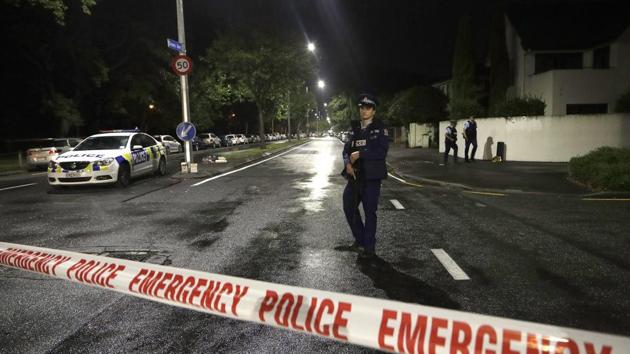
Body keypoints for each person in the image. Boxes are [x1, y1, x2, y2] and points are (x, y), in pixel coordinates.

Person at [341, 93, 389, 259]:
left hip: (371, 177)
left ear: (373, 111)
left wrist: (361, 154)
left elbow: (381, 152)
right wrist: (347, 163)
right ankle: (360, 239)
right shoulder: (354, 129)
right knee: (348, 205)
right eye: (362, 107)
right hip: (355, 177)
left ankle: (369, 247)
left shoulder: (380, 128)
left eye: (368, 108)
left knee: (370, 212)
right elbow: (346, 150)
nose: (364, 110)